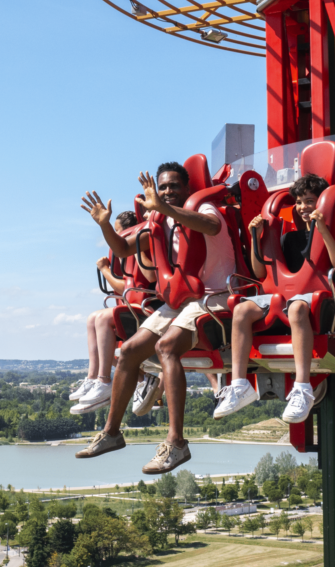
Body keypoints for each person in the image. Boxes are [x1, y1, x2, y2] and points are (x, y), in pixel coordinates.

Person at [77, 162, 236, 474]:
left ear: (187, 188)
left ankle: (176, 443)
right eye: (162, 187)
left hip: (215, 295)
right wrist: (105, 226)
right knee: (128, 351)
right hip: (182, 299)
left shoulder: (204, 208)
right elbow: (122, 248)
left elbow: (210, 227)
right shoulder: (159, 221)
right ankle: (111, 433)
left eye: (174, 186)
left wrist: (163, 208)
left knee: (166, 347)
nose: (167, 192)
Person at [214, 174, 335, 424]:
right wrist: (256, 239)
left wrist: (324, 231)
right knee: (242, 310)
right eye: (299, 202)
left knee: (297, 308)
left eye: (310, 201)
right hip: (286, 296)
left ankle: (303, 388)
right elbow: (260, 273)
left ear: (322, 203)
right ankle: (240, 385)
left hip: (323, 297)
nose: (303, 207)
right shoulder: (290, 238)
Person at [69, 211, 138, 414]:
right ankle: (92, 378)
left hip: (142, 305)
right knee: (92, 318)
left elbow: (126, 288)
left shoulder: (134, 251)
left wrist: (104, 270)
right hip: (133, 305)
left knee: (101, 319)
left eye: (116, 231)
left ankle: (104, 380)